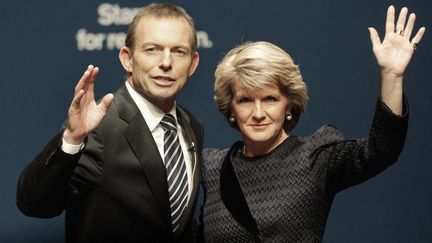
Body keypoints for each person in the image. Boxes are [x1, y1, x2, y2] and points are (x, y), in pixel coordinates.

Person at [200, 6, 425, 242]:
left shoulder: (315, 158)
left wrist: (392, 76)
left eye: (270, 99)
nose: (258, 113)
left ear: (288, 105)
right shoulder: (212, 167)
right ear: (231, 108)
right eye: (245, 100)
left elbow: (382, 149)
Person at [17, 3, 203, 242]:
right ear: (127, 58)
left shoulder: (191, 126)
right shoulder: (100, 127)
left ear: (193, 63)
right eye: (152, 49)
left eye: (178, 51)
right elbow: (33, 203)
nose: (166, 62)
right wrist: (72, 140)